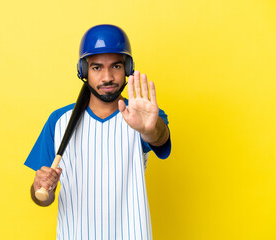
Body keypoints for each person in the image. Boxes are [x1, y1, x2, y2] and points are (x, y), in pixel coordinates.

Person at [24, 24, 171, 239]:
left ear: (127, 68)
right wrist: (41, 188)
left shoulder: (143, 115)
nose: (107, 77)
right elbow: (42, 198)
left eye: (116, 66)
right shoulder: (59, 121)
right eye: (96, 67)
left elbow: (159, 137)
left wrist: (149, 129)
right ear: (84, 70)